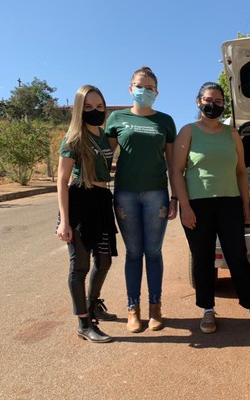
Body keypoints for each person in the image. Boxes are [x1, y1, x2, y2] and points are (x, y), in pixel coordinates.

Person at [171, 82, 250, 335]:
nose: (212, 105)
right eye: (207, 100)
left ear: (223, 104)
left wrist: (244, 204)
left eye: (218, 101)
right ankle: (207, 310)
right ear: (198, 102)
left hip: (230, 203)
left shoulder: (232, 134)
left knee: (237, 257)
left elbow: (241, 172)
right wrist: (185, 206)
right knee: (202, 260)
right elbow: (176, 172)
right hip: (198, 206)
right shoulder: (188, 131)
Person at [105, 66, 177, 333]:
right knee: (134, 253)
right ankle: (132, 310)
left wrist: (176, 197)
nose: (143, 91)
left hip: (156, 194)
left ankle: (155, 308)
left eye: (149, 88)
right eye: (139, 86)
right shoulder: (117, 118)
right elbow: (103, 158)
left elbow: (173, 164)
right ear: (130, 88)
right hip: (125, 194)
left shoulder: (165, 122)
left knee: (154, 253)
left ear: (157, 92)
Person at [56, 84, 117, 343]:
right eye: (89, 107)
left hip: (102, 201)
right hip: (79, 201)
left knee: (104, 261)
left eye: (100, 107)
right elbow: (61, 180)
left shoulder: (105, 136)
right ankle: (83, 322)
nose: (95, 111)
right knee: (79, 266)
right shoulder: (73, 139)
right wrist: (65, 221)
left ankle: (93, 305)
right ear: (80, 110)